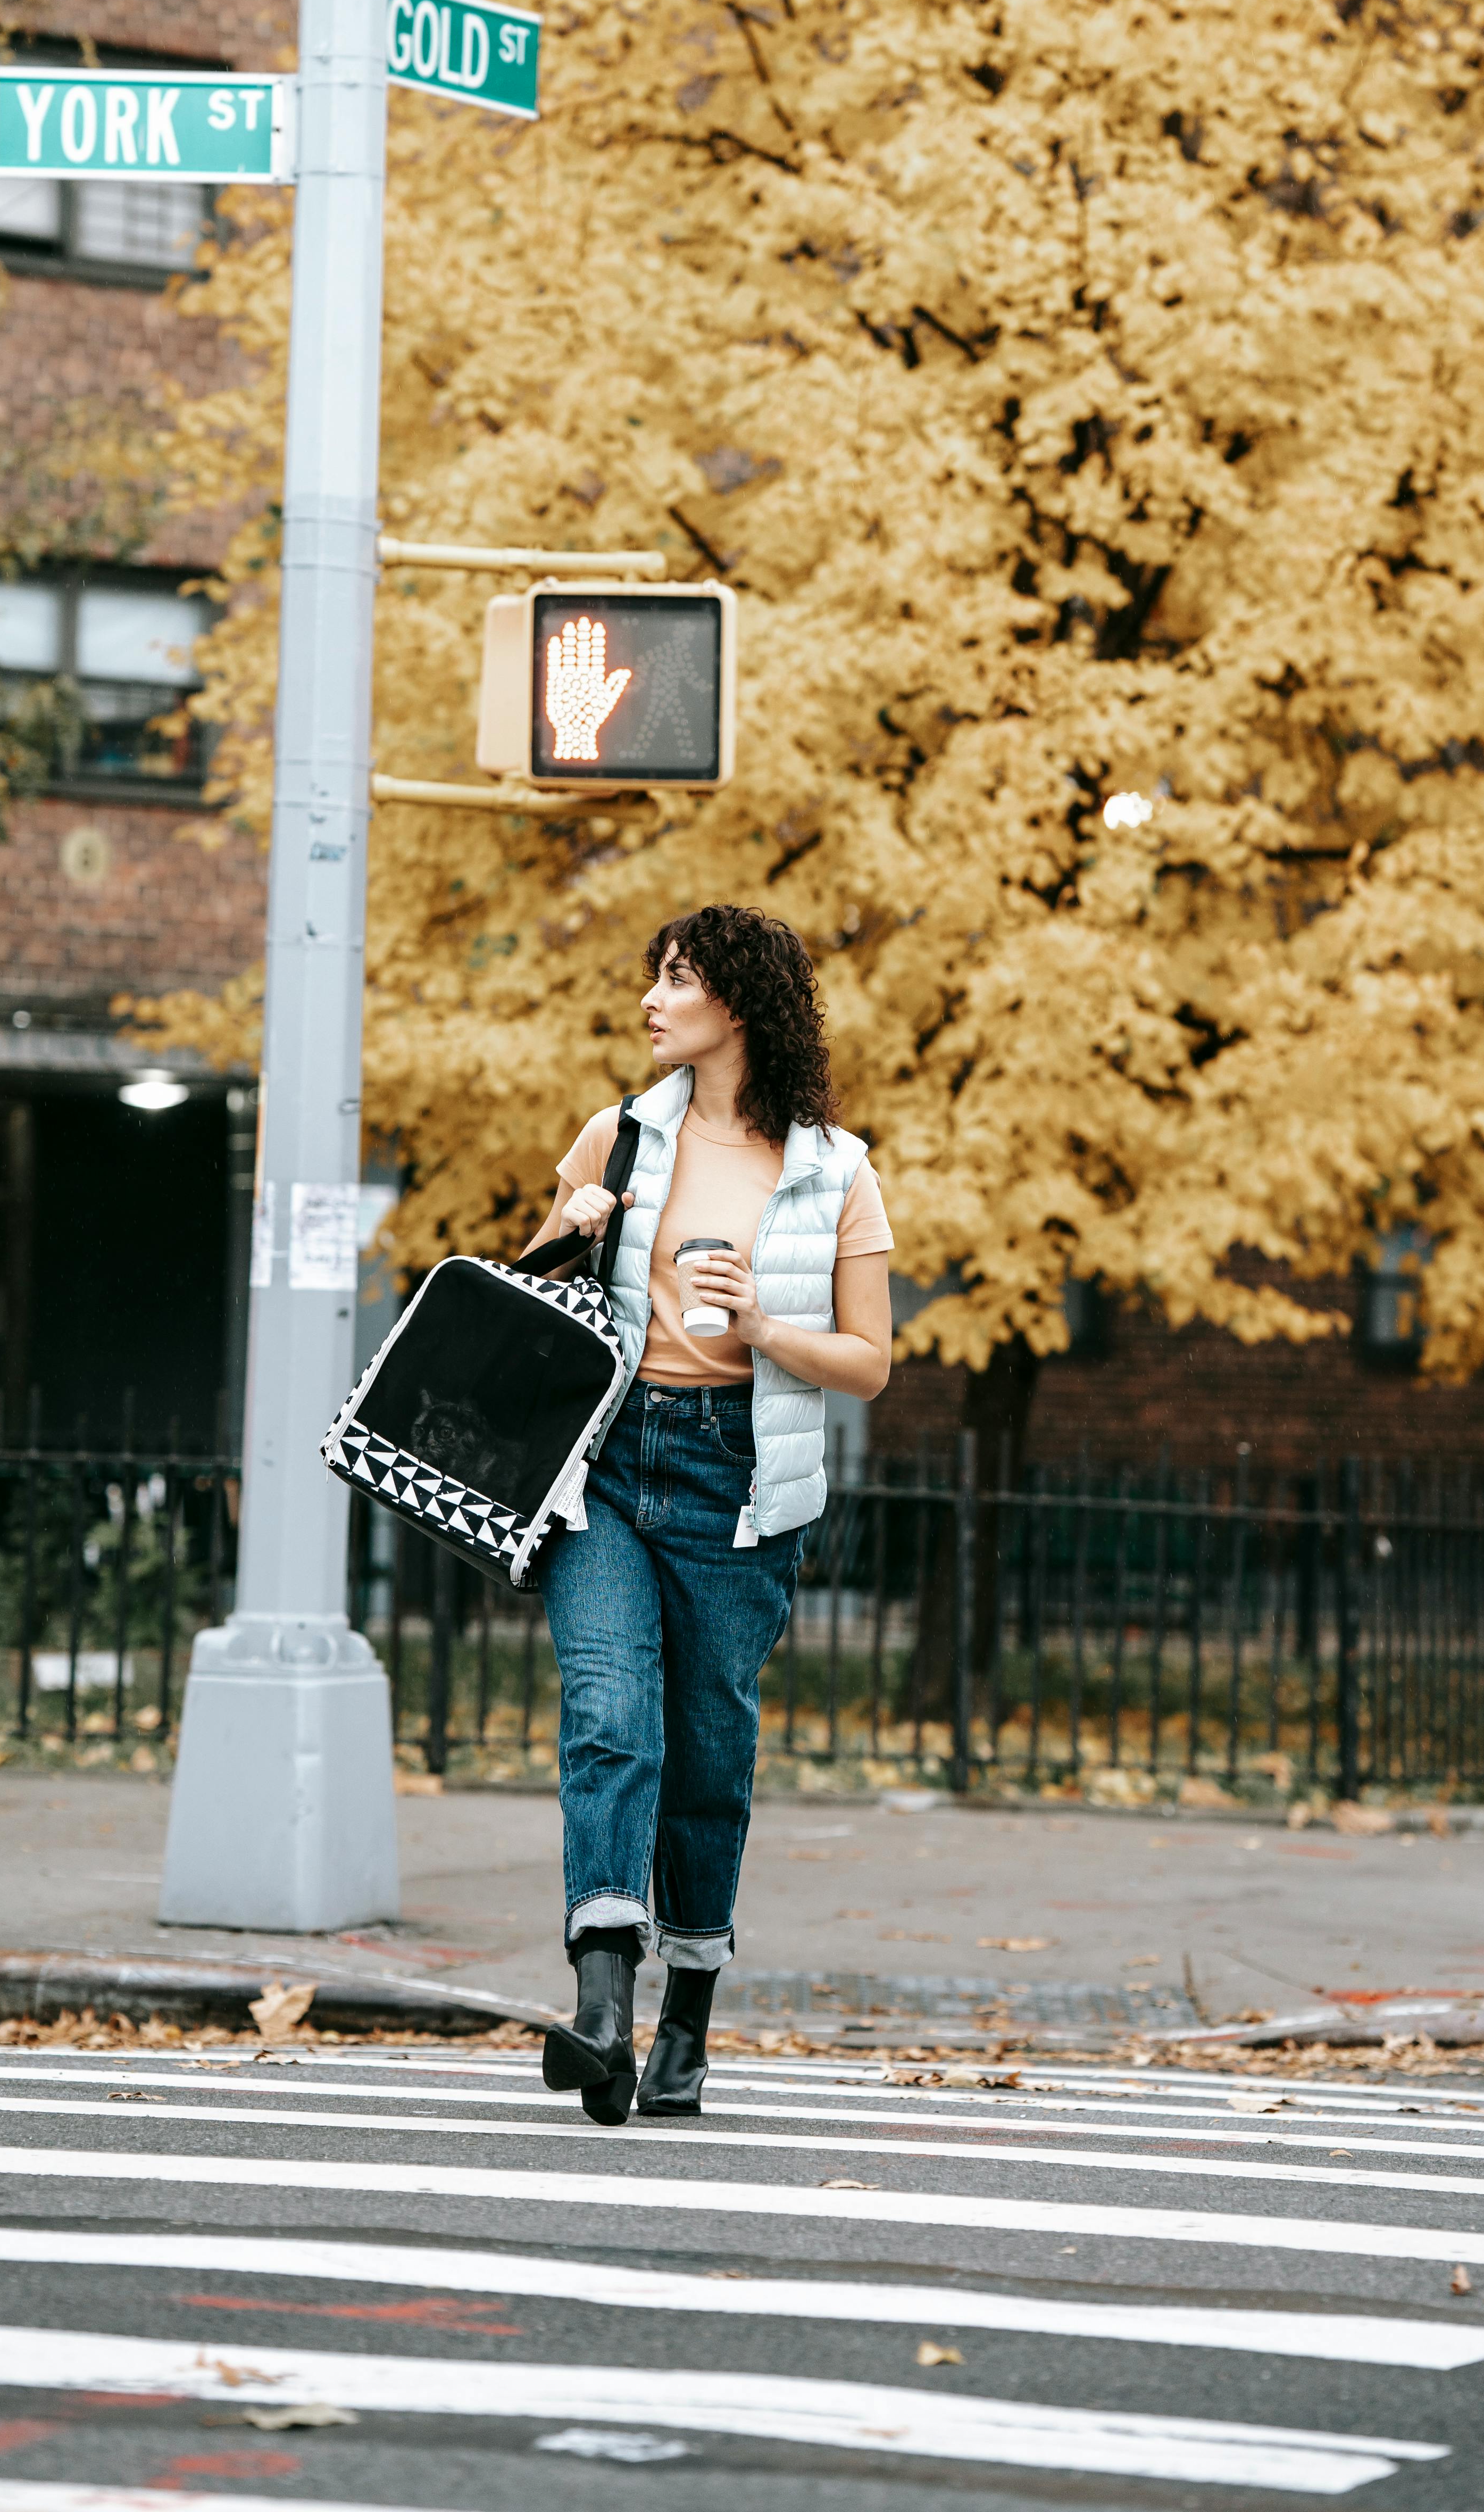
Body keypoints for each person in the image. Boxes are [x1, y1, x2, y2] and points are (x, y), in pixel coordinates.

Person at [522, 903, 893, 2125]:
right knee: (608, 1715)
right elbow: (528, 1304)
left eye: (674, 981)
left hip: (740, 1482)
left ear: (737, 1002)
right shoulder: (616, 1136)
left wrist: (762, 1329)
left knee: (707, 1757)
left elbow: (868, 1364)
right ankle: (598, 2006)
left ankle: (685, 2014)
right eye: (652, 981)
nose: (650, 1001)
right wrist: (566, 1228)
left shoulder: (833, 1169)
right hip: (609, 1461)